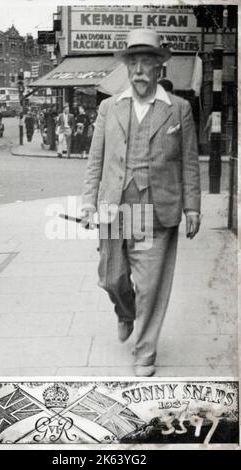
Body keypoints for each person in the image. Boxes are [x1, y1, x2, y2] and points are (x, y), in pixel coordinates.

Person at [81, 28, 201, 377]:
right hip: (114, 209)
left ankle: (145, 351)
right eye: (133, 63)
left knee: (150, 286)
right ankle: (124, 311)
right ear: (126, 68)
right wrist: (88, 203)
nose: (138, 71)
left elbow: (189, 162)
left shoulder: (178, 110)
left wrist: (192, 205)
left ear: (159, 68)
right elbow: (95, 160)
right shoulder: (109, 108)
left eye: (146, 63)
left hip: (158, 209)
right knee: (111, 279)